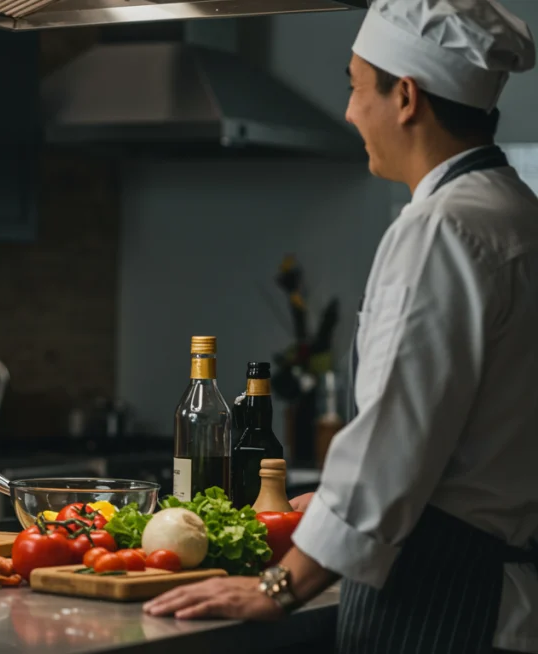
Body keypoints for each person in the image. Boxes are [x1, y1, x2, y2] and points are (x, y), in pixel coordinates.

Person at [145, 1, 538, 652]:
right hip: (507, 600)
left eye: (355, 88)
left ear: (406, 96)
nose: (352, 112)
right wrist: (330, 502)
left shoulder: (441, 229)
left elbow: (394, 440)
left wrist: (281, 585)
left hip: (441, 604)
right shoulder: (518, 213)